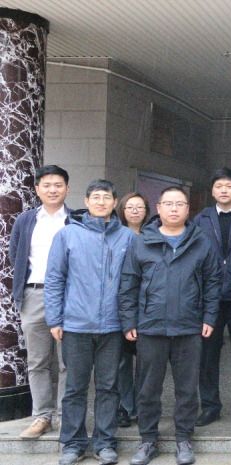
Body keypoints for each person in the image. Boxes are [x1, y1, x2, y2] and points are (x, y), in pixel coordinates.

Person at [119, 186, 221, 465]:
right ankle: (148, 440)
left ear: (188, 209)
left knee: (187, 389)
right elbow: (128, 283)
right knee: (148, 389)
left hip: (189, 327)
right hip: (150, 327)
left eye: (180, 204)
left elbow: (213, 282)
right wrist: (129, 320)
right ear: (159, 208)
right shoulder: (142, 241)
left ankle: (184, 439)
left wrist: (209, 317)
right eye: (168, 204)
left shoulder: (201, 242)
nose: (174, 209)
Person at [45, 180, 135, 465]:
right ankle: (73, 444)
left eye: (106, 197)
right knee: (75, 387)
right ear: (86, 202)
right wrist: (54, 318)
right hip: (76, 324)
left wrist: (130, 321)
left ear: (114, 202)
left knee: (109, 387)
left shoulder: (127, 237)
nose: (100, 202)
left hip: (113, 326)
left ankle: (105, 442)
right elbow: (54, 278)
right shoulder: (68, 234)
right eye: (95, 197)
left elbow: (134, 282)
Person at [10, 165, 70, 439]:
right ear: (37, 189)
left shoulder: (76, 220)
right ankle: (42, 416)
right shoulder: (25, 220)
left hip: (70, 295)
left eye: (58, 184)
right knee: (38, 361)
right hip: (34, 294)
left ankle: (67, 417)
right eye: (46, 185)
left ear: (67, 189)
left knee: (68, 361)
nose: (52, 189)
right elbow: (16, 255)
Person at [192, 168, 231, 427]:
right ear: (212, 191)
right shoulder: (200, 219)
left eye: (229, 186)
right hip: (209, 299)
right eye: (218, 186)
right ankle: (210, 406)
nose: (224, 190)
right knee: (207, 356)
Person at [115, 192, 150, 429]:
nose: (135, 211)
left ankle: (143, 406)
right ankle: (125, 407)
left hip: (147, 306)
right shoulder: (115, 235)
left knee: (146, 361)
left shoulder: (153, 235)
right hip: (120, 305)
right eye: (130, 207)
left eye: (139, 207)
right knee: (121, 361)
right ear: (122, 210)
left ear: (147, 211)